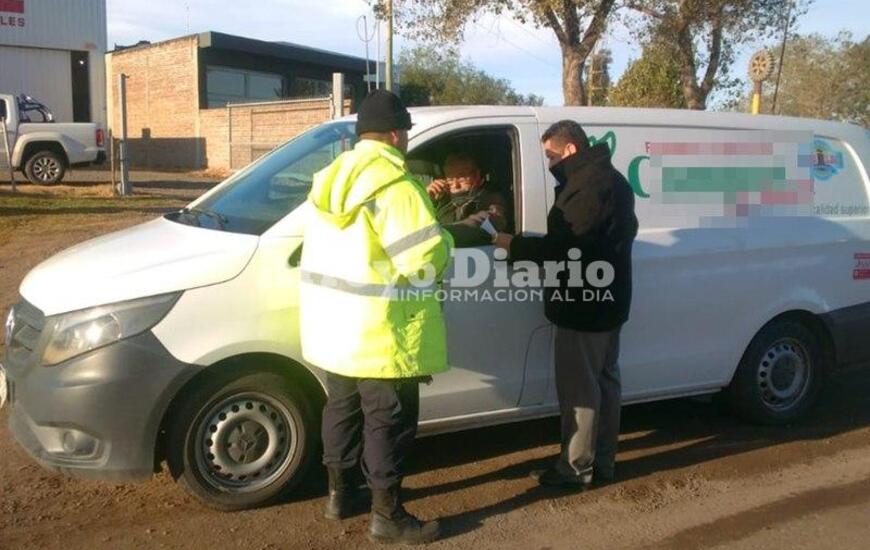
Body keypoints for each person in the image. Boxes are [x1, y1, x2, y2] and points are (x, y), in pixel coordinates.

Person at [299, 90, 454, 544]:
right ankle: (387, 517)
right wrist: (444, 236)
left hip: (336, 328)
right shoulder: (393, 184)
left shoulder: (333, 178)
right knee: (388, 420)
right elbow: (423, 258)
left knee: (341, 410)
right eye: (404, 132)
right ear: (395, 134)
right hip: (383, 330)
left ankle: (340, 496)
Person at [493, 120, 638, 489]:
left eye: (550, 155)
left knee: (580, 392)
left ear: (569, 149)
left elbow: (565, 249)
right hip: (607, 303)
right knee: (605, 384)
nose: (549, 163)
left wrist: (516, 245)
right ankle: (602, 462)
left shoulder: (586, 188)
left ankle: (575, 470)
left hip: (583, 307)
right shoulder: (611, 180)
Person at [426, 152, 509, 247]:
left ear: (477, 176)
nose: (456, 185)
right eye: (450, 179)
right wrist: (427, 199)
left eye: (461, 178)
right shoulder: (442, 201)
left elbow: (490, 221)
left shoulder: (491, 197)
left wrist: (445, 233)